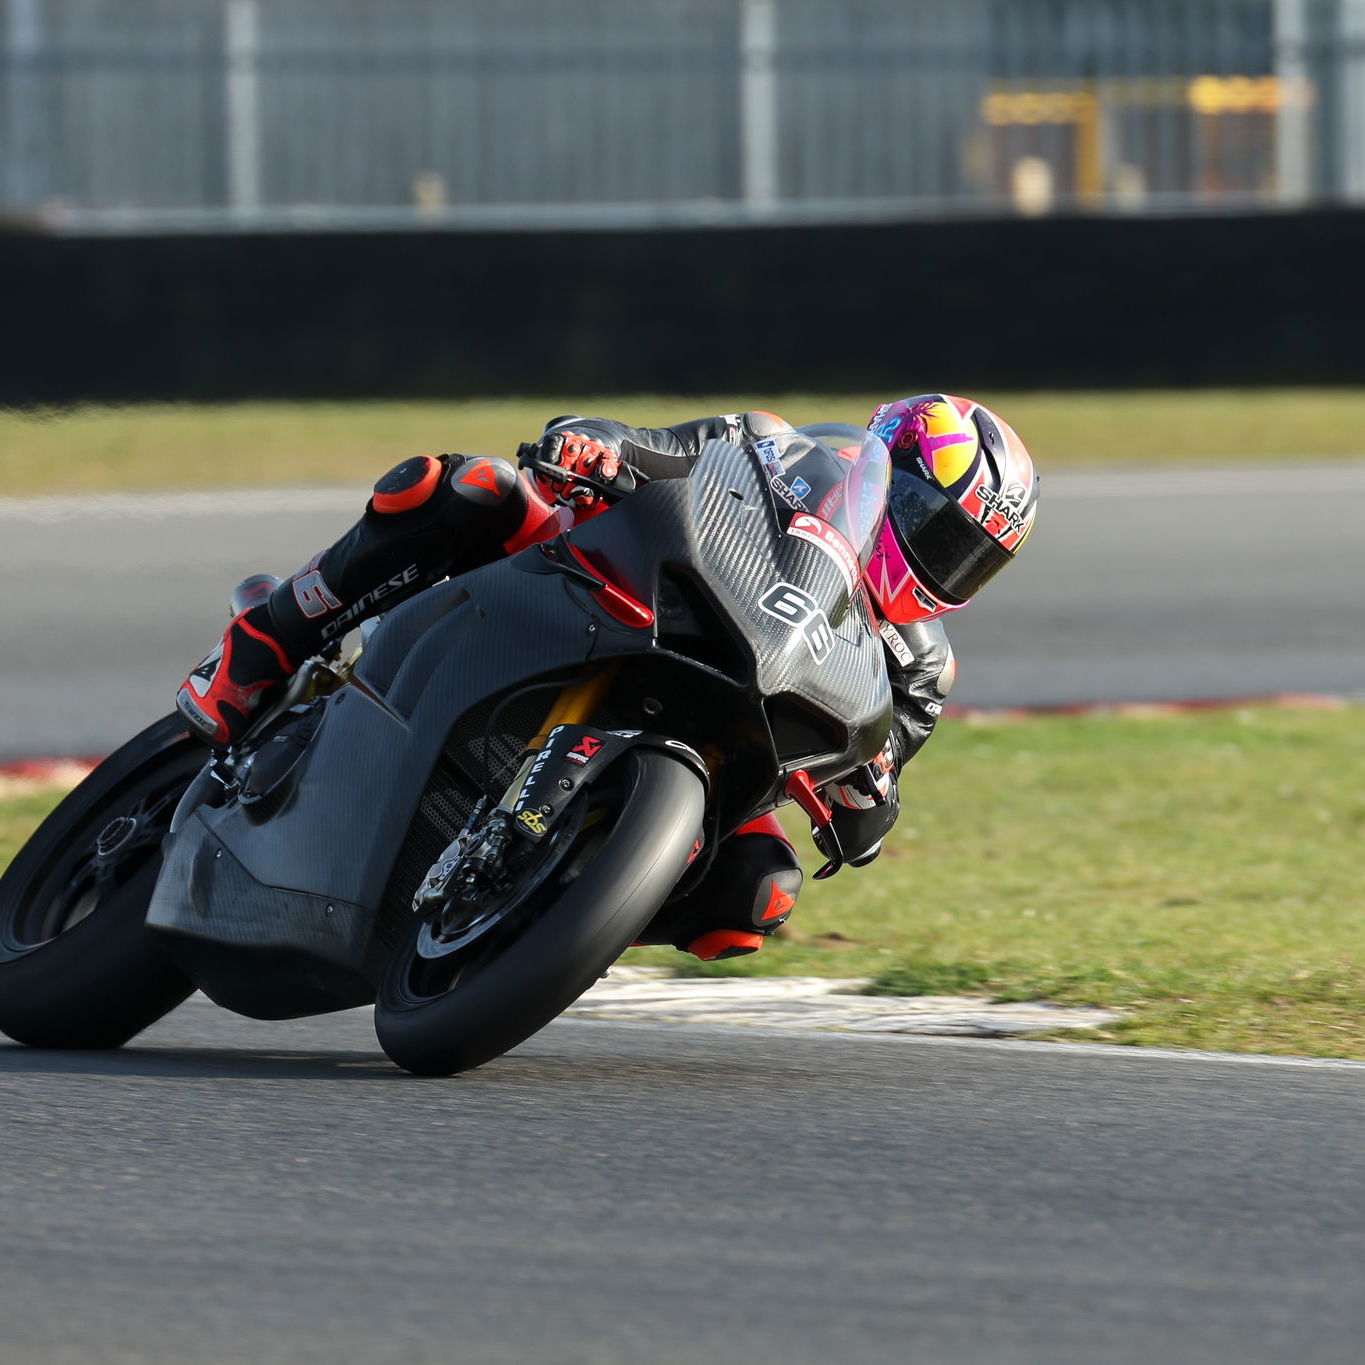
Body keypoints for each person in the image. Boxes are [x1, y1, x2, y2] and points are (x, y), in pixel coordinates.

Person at [177, 397, 1038, 961]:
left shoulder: (920, 669)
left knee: (757, 894)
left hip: (724, 743)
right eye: (932, 522)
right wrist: (597, 447)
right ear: (888, 469)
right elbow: (657, 450)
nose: (937, 558)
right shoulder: (775, 448)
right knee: (465, 489)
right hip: (610, 597)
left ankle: (540, 924)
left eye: (968, 555)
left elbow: (871, 765)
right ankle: (266, 641)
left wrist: (866, 802)